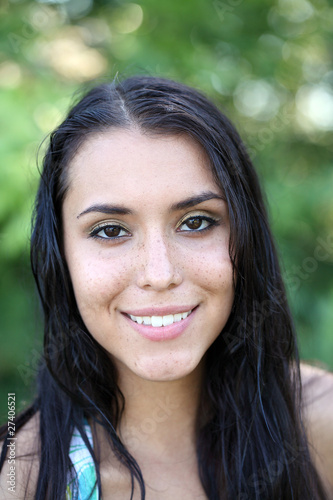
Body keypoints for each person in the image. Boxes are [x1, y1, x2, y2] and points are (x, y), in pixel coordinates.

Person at [0, 76, 332, 500]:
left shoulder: (319, 425)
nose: (159, 274)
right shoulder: (21, 479)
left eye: (196, 222)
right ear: (59, 253)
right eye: (110, 230)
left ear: (247, 237)